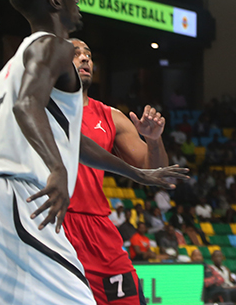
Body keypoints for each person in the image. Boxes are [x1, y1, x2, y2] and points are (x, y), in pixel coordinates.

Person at [0, 0, 187, 304]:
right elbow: (26, 106)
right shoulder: (54, 45)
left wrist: (137, 173)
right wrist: (58, 170)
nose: (78, 1)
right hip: (10, 195)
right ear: (54, 2)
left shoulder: (12, 66)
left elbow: (74, 141)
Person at [64, 36, 174, 304]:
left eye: (88, 54)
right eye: (76, 53)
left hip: (96, 228)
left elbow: (156, 172)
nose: (85, 58)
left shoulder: (110, 116)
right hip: (53, 223)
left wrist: (154, 139)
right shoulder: (38, 106)